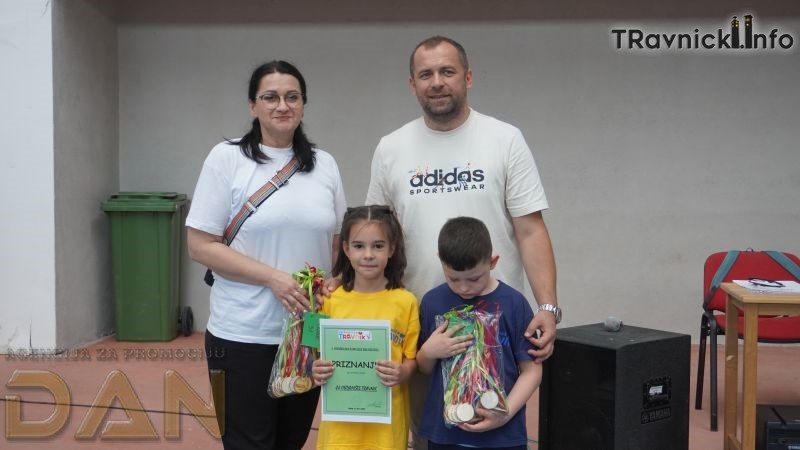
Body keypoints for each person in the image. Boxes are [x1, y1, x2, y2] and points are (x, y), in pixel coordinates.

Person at [363, 35, 559, 448]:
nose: (436, 82)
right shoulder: (391, 148)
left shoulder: (504, 139)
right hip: (421, 329)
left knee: (494, 427)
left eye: (447, 71)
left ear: (468, 77)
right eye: (426, 74)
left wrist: (547, 307)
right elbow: (375, 238)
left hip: (496, 328)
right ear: (412, 84)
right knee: (430, 436)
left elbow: (530, 230)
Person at [186, 60, 347, 450]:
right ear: (253, 105)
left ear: (303, 104)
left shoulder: (324, 164)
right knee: (248, 442)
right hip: (242, 333)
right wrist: (273, 278)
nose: (282, 105)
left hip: (308, 332)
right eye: (270, 97)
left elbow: (338, 244)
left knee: (292, 440)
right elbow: (200, 245)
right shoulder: (226, 159)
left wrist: (335, 282)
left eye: (292, 97)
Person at [416, 217, 542, 450]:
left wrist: (504, 414)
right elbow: (423, 368)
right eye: (453, 278)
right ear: (440, 260)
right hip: (445, 434)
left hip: (503, 436)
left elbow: (532, 371)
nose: (463, 287)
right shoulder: (433, 302)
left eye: (474, 278)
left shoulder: (514, 303)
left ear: (493, 262)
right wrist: (428, 352)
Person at [312, 205, 420, 450]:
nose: (368, 255)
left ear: (392, 249)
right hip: (339, 431)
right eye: (359, 246)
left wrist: (402, 372)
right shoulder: (328, 300)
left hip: (386, 431)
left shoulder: (406, 302)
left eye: (378, 246)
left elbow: (411, 359)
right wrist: (315, 368)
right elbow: (312, 355)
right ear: (346, 249)